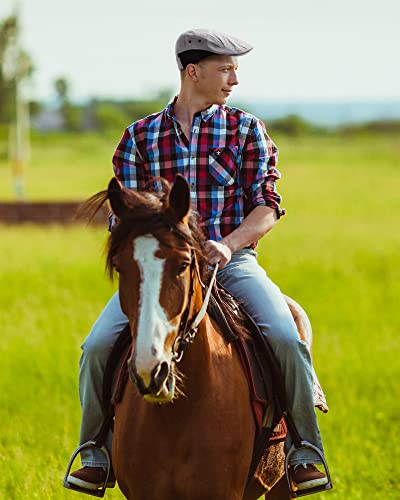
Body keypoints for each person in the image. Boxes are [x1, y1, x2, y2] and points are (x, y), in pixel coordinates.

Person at [67, 28, 329, 494]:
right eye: (225, 68)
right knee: (95, 348)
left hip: (233, 262)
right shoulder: (139, 137)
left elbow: (268, 204)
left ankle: (304, 451)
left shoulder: (246, 129)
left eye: (234, 69)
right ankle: (94, 452)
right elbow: (124, 216)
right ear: (193, 71)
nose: (234, 78)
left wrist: (228, 244)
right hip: (162, 270)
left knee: (287, 337)